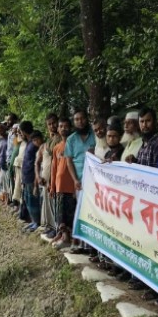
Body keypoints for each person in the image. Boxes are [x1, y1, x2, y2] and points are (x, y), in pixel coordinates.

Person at [64, 109, 96, 255]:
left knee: (95, 213)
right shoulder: (71, 139)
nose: (79, 122)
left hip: (96, 182)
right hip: (80, 182)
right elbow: (69, 161)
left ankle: (94, 247)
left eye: (82, 118)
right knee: (82, 212)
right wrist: (75, 179)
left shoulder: (94, 135)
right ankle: (83, 244)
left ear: (87, 119)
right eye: (76, 119)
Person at [50, 117, 75, 250]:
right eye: (61, 126)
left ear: (70, 128)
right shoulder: (56, 148)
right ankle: (61, 234)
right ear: (58, 129)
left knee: (70, 212)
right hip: (59, 185)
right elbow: (54, 168)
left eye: (66, 126)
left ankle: (68, 238)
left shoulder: (75, 144)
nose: (63, 128)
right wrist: (52, 186)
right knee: (60, 212)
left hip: (71, 185)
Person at [37, 114, 60, 235]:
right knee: (49, 204)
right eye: (49, 124)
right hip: (47, 177)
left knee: (56, 204)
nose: (52, 126)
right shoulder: (49, 140)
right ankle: (51, 226)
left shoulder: (61, 139)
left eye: (54, 123)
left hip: (57, 177)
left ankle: (57, 229)